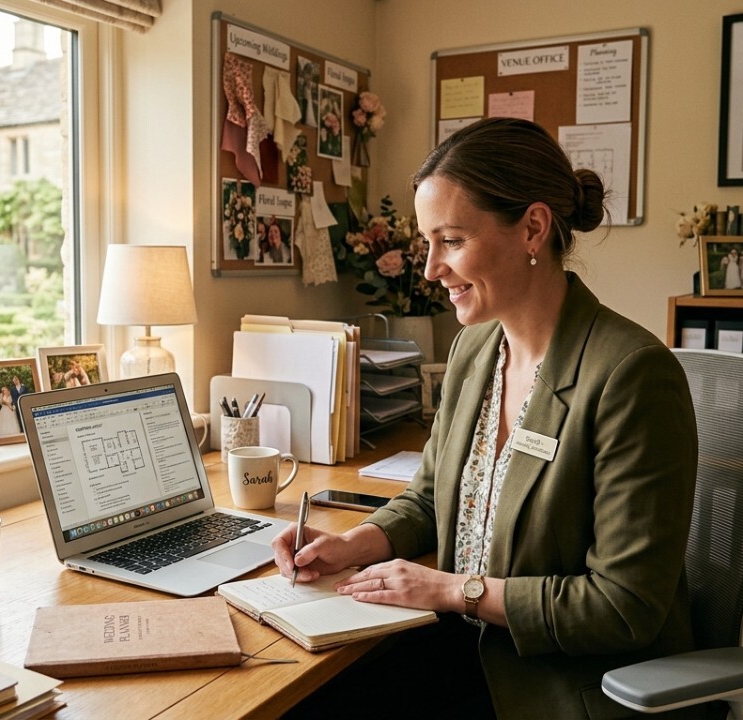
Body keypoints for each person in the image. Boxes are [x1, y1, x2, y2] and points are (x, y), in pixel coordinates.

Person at [274, 118, 699, 719]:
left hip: (565, 686)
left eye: (450, 241)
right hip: (463, 652)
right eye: (426, 243)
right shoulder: (475, 350)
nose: (429, 270)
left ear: (532, 228)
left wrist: (452, 590)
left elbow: (623, 606)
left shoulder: (630, 375)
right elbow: (428, 501)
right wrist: (352, 544)